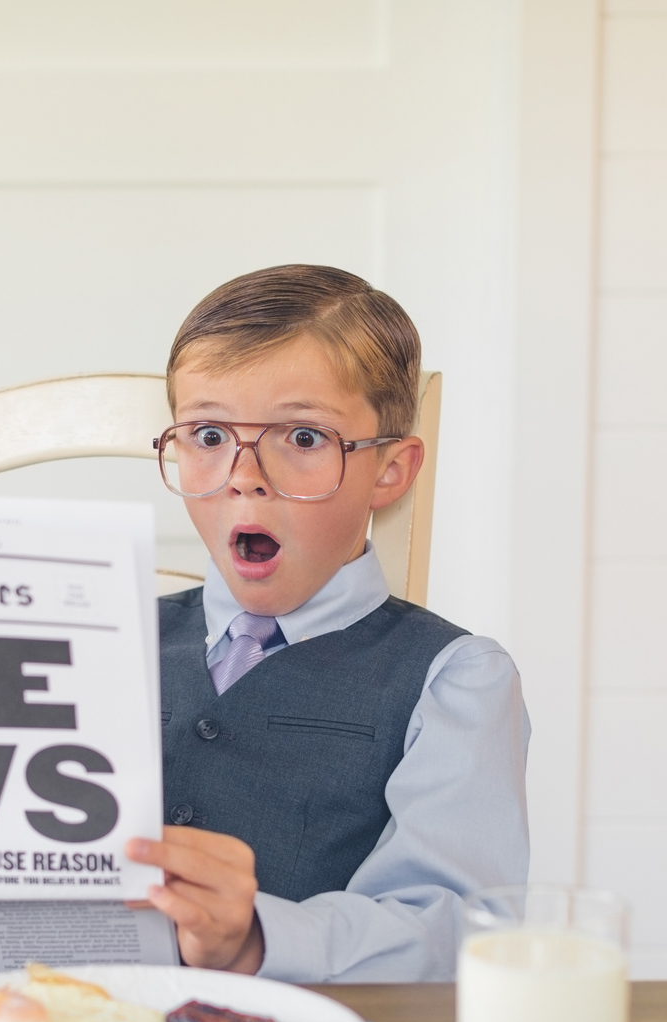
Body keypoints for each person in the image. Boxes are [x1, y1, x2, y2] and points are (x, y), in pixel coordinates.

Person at [125, 265, 529, 982]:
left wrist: (255, 937)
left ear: (389, 470)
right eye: (209, 433)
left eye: (304, 438)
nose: (244, 475)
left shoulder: (457, 680)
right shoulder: (103, 640)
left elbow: (455, 926)